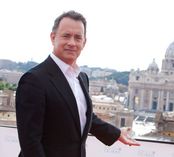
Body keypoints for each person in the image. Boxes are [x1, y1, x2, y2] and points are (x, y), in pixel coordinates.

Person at [15, 10, 139, 157]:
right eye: (66, 36)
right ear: (53, 37)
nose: (72, 43)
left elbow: (84, 117)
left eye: (78, 38)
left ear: (84, 42)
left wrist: (116, 133)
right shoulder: (33, 80)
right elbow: (30, 142)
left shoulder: (82, 78)